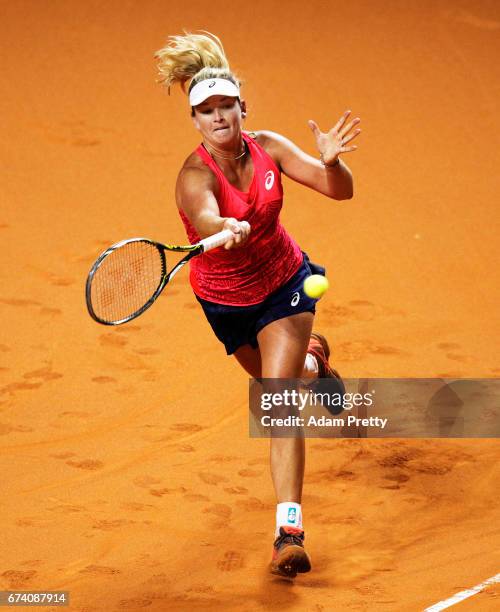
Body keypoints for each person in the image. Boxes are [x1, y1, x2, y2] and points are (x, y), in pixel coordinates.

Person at [155, 31, 361, 579]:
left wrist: (332, 163)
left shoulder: (268, 146)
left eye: (226, 105)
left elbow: (339, 190)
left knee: (277, 404)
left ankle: (288, 533)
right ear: (195, 121)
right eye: (207, 110)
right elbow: (203, 216)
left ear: (242, 107)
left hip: (285, 283)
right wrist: (224, 226)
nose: (219, 116)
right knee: (283, 382)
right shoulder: (194, 176)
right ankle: (314, 363)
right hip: (226, 302)